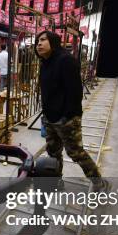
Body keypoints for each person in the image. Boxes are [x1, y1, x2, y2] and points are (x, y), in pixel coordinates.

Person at [35, 30, 108, 190]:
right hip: (50, 117)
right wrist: (47, 114)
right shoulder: (45, 62)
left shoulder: (66, 60)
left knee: (75, 153)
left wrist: (67, 116)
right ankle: (56, 181)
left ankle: (99, 182)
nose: (38, 44)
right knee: (53, 152)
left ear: (53, 42)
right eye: (37, 41)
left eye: (42, 40)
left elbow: (75, 92)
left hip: (66, 119)